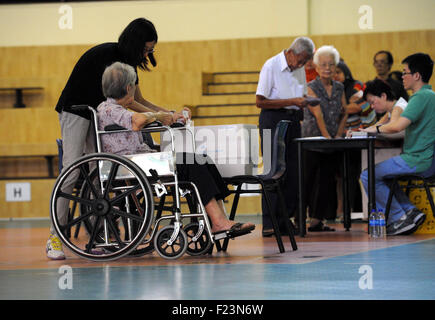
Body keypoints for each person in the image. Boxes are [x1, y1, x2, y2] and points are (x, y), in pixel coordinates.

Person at [46, 18, 190, 260]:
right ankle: (54, 237)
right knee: (71, 171)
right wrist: (163, 115)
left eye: (151, 49)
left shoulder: (129, 63)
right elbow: (131, 103)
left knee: (99, 173)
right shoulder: (107, 55)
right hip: (76, 110)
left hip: (96, 114)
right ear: (136, 43)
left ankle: (99, 237)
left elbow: (138, 99)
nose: (148, 53)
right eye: (146, 49)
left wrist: (168, 113)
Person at [97, 62, 255, 239]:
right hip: (131, 166)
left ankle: (221, 219)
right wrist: (159, 116)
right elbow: (138, 121)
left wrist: (172, 117)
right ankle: (218, 222)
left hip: (140, 162)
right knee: (194, 162)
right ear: (129, 88)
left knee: (203, 160)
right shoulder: (109, 109)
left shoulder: (114, 109)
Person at [360, 53, 435, 235]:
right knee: (381, 175)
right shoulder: (430, 95)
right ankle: (409, 212)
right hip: (426, 160)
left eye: (405, 72)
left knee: (367, 175)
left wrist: (372, 130)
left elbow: (397, 127)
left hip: (417, 160)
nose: (402, 76)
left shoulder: (420, 97)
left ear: (416, 76)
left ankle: (399, 218)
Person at [255, 36, 315, 237]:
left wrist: (306, 102)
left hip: (293, 120)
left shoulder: (299, 69)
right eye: (301, 60)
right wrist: (292, 101)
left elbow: (300, 96)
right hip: (272, 120)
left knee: (292, 172)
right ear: (291, 52)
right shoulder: (271, 65)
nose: (302, 64)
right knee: (273, 171)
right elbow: (260, 101)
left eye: (305, 61)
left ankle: (284, 219)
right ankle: (269, 222)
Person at [301, 45, 348, 231]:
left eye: (331, 64)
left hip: (331, 141)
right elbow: (317, 114)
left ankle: (317, 220)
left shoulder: (339, 87)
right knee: (308, 180)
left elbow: (344, 111)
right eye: (323, 64)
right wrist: (328, 137)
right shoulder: (310, 87)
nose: (327, 68)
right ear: (316, 66)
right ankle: (299, 220)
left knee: (327, 181)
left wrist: (338, 134)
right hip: (312, 140)